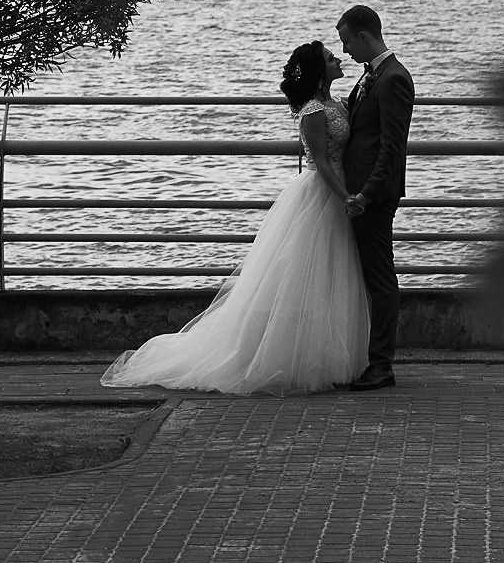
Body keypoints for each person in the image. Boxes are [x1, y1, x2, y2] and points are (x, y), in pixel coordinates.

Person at [99, 41, 370, 395]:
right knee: (307, 273)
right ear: (319, 72)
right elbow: (319, 162)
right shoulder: (313, 111)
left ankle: (333, 354)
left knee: (335, 272)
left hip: (338, 190)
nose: (337, 59)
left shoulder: (339, 103)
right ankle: (290, 356)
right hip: (323, 192)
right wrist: (346, 196)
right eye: (330, 58)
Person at [336, 3, 413, 391]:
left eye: (347, 42)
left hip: (374, 196)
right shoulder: (373, 75)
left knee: (380, 279)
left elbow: (391, 148)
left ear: (364, 36)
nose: (346, 51)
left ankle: (382, 365)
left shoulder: (394, 79)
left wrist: (367, 194)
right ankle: (372, 359)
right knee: (370, 276)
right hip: (360, 192)